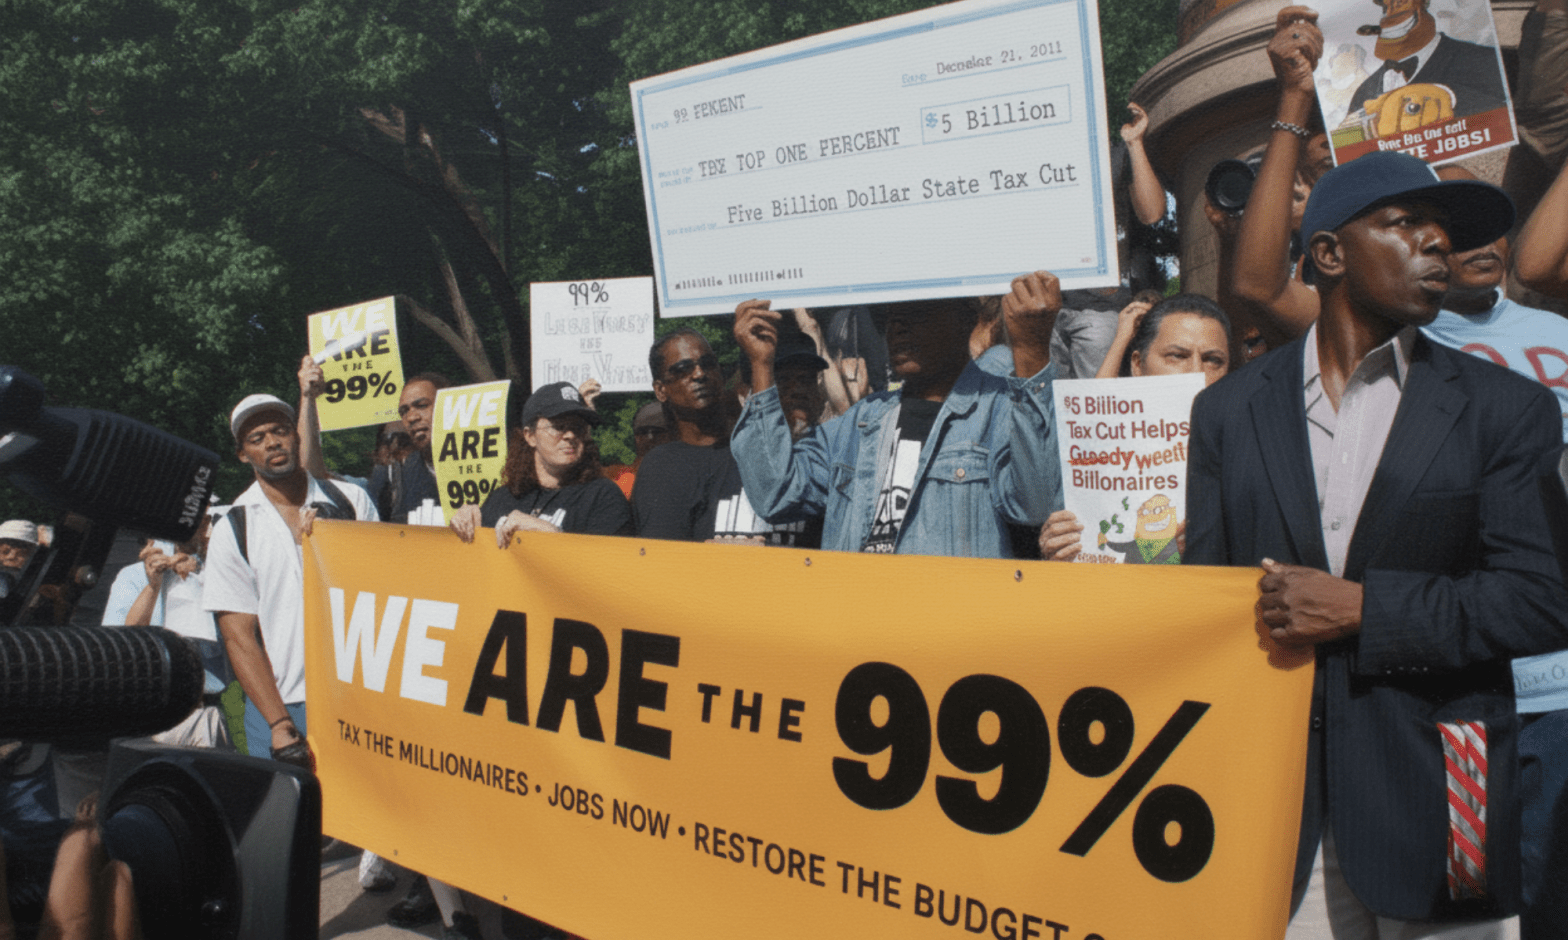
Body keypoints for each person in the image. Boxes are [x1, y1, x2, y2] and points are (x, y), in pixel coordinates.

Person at [1186, 150, 1568, 936]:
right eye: (1406, 225)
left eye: (1445, 233)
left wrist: (1367, 609)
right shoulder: (1226, 413)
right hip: (1279, 815)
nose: (1437, 246)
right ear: (1328, 253)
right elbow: (1208, 598)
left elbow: (1541, 600)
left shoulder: (1506, 409)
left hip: (1436, 807)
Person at [1415, 232, 1568, 922]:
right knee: (1479, 901)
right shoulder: (1403, 350)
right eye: (1456, 233)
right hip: (1471, 682)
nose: (1482, 244)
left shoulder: (1554, 331)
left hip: (1564, 686)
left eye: (1492, 227)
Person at [730, 272, 1063, 558]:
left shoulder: (1002, 408)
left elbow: (1035, 504)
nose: (897, 328)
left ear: (965, 318)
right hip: (858, 623)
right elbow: (776, 493)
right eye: (888, 319)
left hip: (946, 625)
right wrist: (761, 365)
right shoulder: (860, 422)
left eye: (916, 314)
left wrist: (1031, 351)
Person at [202, 393, 378, 769]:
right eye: (257, 438)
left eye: (280, 431)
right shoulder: (234, 526)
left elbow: (386, 591)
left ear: (297, 436)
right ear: (243, 455)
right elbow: (238, 635)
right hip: (284, 705)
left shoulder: (351, 501)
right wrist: (279, 724)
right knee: (289, 822)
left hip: (361, 697)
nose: (272, 443)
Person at [1039, 294, 1231, 563]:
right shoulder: (1099, 454)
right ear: (1138, 365)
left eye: (1213, 360)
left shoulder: (1247, 448)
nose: (1196, 372)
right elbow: (1095, 411)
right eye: (1177, 356)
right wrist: (1060, 546)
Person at [632, 329, 813, 544]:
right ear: (661, 390)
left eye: (708, 363)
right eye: (683, 369)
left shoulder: (762, 450)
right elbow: (665, 563)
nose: (699, 374)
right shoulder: (663, 466)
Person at [450, 381, 631, 542]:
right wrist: (466, 524)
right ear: (530, 436)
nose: (570, 435)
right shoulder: (503, 498)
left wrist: (552, 534)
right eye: (558, 426)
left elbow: (610, 570)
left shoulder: (602, 496)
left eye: (578, 427)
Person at [1347, 0, 1508, 128]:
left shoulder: (1483, 59)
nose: (1394, 8)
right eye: (1387, 5)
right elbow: (1347, 142)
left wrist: (1449, 96)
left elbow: (1507, 116)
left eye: (1402, 2)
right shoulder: (1365, 91)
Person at [366, 373, 451, 523]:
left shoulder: (492, 463)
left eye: (422, 405)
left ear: (450, 405)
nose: (411, 418)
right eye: (404, 411)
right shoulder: (402, 477)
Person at [603, 402, 671, 500]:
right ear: (635, 437)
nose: (650, 437)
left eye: (658, 431)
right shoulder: (621, 478)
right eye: (642, 431)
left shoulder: (687, 475)